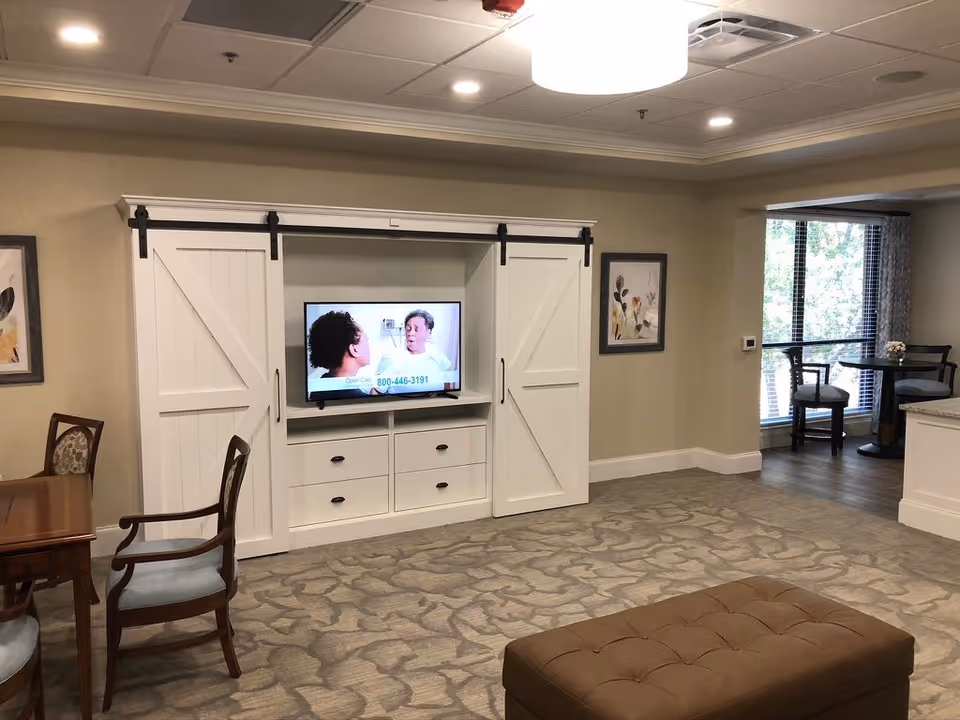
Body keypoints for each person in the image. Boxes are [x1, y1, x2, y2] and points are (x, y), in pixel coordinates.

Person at [308, 310, 377, 398]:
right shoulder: (356, 398)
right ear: (354, 350)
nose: (368, 343)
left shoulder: (319, 388)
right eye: (366, 338)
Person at [376, 309, 452, 382]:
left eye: (416, 329)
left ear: (428, 333)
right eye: (408, 328)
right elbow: (376, 390)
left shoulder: (438, 357)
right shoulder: (392, 357)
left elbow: (449, 382)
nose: (410, 333)